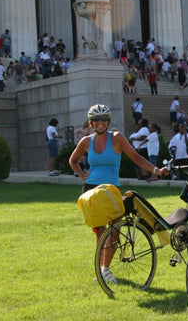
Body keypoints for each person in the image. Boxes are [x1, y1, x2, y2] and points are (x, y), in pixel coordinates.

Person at [68, 104, 167, 283]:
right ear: (91, 122)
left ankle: (104, 269)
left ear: (108, 121)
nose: (101, 123)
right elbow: (73, 160)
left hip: (111, 190)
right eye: (97, 119)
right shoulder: (85, 141)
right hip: (91, 191)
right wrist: (82, 175)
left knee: (115, 229)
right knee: (100, 232)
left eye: (104, 119)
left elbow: (135, 157)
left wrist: (155, 170)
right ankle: (102, 271)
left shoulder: (116, 138)